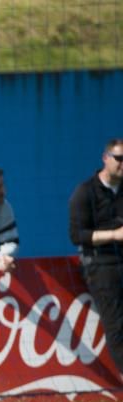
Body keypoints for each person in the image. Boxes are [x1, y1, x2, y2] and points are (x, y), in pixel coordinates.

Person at [68, 138, 123, 378]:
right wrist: (114, 235)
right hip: (100, 264)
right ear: (106, 158)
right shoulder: (85, 192)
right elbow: (77, 235)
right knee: (117, 324)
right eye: (119, 159)